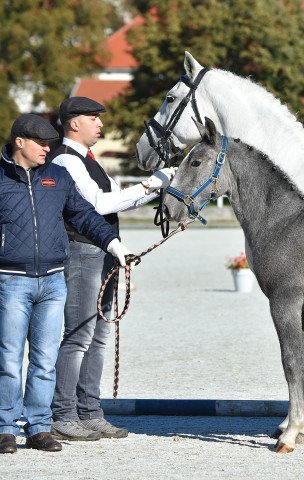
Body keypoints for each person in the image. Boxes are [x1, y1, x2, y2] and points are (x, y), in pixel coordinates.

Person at [0, 114, 132, 454]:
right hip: (11, 282)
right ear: (19, 142)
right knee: (10, 359)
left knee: (44, 359)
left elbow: (84, 215)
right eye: (41, 142)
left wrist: (113, 244)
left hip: (53, 282)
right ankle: (5, 427)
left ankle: (40, 427)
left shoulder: (56, 176)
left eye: (50, 141)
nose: (48, 148)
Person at [50, 97, 175, 441]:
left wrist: (157, 188)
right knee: (79, 335)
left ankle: (89, 411)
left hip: (103, 253)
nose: (100, 124)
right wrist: (151, 184)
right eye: (94, 118)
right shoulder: (64, 160)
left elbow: (120, 196)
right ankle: (63, 413)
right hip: (81, 252)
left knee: (100, 336)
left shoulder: (92, 161)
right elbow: (99, 204)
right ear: (73, 123)